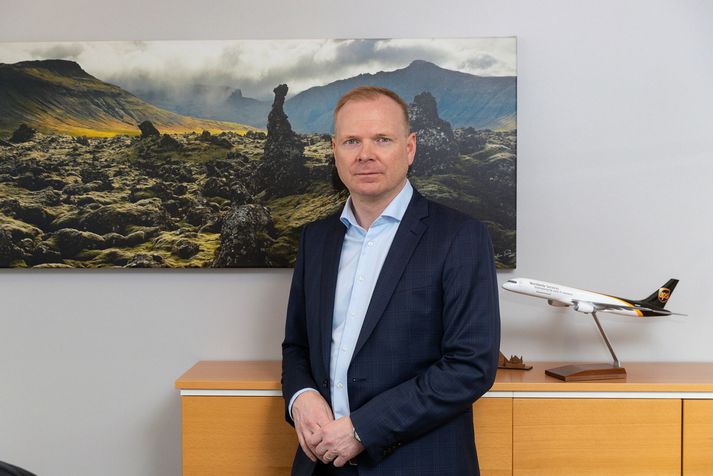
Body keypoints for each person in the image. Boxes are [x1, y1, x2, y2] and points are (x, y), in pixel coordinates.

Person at [281, 85, 501, 476]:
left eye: (382, 139)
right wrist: (301, 396)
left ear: (410, 147)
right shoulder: (315, 240)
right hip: (321, 463)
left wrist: (363, 429)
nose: (365, 154)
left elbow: (470, 365)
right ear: (335, 151)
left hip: (417, 462)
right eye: (352, 141)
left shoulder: (459, 236)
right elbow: (296, 346)